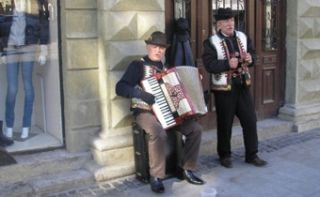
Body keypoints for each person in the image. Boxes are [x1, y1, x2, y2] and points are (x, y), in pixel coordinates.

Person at [116, 31, 205, 193]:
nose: (158, 50)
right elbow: (120, 87)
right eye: (155, 47)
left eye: (162, 48)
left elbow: (179, 92)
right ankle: (156, 176)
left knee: (195, 130)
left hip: (169, 113)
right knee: (158, 132)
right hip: (145, 111)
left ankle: (187, 169)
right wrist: (140, 93)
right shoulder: (138, 65)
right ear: (148, 47)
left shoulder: (168, 69)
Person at [202, 8, 267, 168]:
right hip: (224, 89)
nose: (230, 24)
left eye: (231, 20)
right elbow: (209, 64)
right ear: (219, 25)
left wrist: (251, 58)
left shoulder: (243, 37)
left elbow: (253, 55)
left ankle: (252, 154)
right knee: (225, 123)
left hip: (243, 86)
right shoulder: (211, 42)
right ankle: (225, 155)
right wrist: (226, 64)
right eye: (225, 21)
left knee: (250, 121)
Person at [0, 0, 49, 139]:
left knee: (28, 86)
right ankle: (9, 125)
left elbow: (43, 24)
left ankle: (25, 125)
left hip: (29, 46)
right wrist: (3, 51)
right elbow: (2, 28)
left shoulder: (34, 4)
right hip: (10, 47)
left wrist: (44, 48)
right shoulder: (7, 6)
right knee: (12, 88)